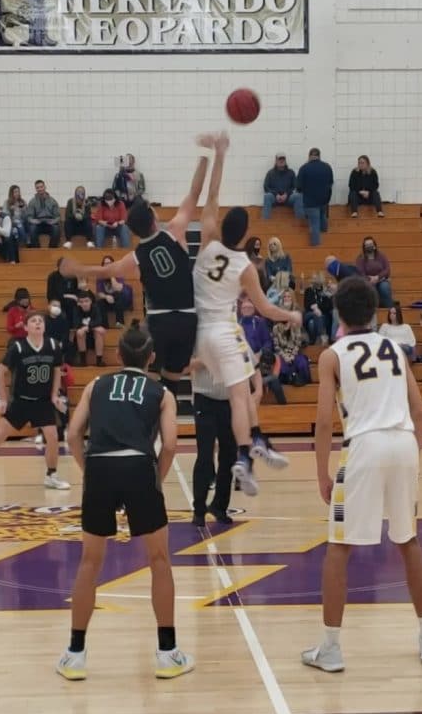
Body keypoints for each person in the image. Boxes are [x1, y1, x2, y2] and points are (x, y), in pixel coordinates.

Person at [303, 276, 422, 672]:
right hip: (402, 443)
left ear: (338, 314)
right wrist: (410, 456)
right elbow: (420, 413)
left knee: (338, 546)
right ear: (375, 312)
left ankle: (330, 648)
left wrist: (322, 475)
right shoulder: (396, 350)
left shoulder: (332, 355)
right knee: (408, 540)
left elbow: (324, 422)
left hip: (364, 447)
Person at [55, 325, 193, 681]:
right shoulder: (161, 392)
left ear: (117, 356)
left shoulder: (95, 385)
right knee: (159, 560)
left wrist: (88, 469)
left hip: (100, 465)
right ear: (151, 358)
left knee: (90, 562)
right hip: (138, 466)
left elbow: (72, 434)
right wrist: (155, 481)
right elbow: (172, 445)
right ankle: (167, 653)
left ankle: (75, 654)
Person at [63, 133, 216, 403]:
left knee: (152, 381)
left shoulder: (136, 255)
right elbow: (195, 193)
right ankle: (166, 425)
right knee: (172, 380)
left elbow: (105, 272)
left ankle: (150, 430)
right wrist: (205, 156)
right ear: (154, 220)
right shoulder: (175, 232)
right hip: (187, 319)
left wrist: (77, 269)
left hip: (158, 320)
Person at [193, 133, 302, 496]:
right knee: (242, 396)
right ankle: (244, 455)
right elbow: (268, 309)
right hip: (225, 330)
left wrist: (218, 155)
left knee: (242, 390)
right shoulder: (245, 266)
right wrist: (293, 317)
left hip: (201, 336)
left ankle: (256, 443)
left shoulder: (207, 240)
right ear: (246, 236)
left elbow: (211, 196)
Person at [0, 311, 70, 492]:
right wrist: (3, 398)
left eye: (40, 321)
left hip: (42, 401)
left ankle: (51, 475)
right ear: (26, 327)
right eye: (33, 321)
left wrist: (54, 395)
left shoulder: (52, 345)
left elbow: (57, 369)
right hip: (21, 401)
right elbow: (1, 371)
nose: (37, 323)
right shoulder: (18, 348)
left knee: (53, 436)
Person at [190, 359, 237, 527]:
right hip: (204, 398)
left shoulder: (234, 333)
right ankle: (199, 510)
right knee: (205, 455)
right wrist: (205, 360)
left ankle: (220, 506)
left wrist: (257, 387)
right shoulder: (197, 334)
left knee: (229, 455)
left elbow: (247, 360)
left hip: (229, 399)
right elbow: (187, 365)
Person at [296, 148, 333, 246]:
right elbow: (331, 182)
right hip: (324, 199)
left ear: (309, 156)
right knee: (323, 217)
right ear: (319, 156)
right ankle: (326, 238)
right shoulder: (327, 167)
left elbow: (298, 187)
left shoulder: (304, 168)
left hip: (310, 201)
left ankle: (316, 247)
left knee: (314, 224)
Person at [355, 236, 393, 307]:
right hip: (368, 281)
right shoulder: (360, 258)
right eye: (367, 245)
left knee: (385, 287)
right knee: (371, 288)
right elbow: (360, 273)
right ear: (364, 247)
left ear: (374, 246)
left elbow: (387, 270)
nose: (369, 246)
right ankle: (373, 312)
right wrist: (370, 279)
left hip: (381, 280)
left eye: (370, 244)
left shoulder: (381, 256)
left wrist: (377, 277)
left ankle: (390, 311)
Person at [262, 153, 299, 220]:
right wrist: (276, 194)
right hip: (275, 198)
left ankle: (300, 223)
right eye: (279, 159)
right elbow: (266, 187)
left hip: (288, 198)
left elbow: (295, 186)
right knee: (267, 196)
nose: (281, 161)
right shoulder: (270, 173)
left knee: (297, 196)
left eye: (283, 159)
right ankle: (265, 223)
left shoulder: (291, 172)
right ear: (276, 161)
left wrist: (287, 194)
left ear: (285, 161)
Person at [26, 180, 61, 248]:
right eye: (38, 187)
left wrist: (53, 221)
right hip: (38, 224)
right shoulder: (32, 202)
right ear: (36, 189)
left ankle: (51, 250)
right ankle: (37, 250)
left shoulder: (53, 201)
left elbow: (58, 216)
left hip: (49, 224)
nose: (40, 189)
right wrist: (34, 221)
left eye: (41, 187)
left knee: (56, 229)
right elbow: (29, 217)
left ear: (45, 187)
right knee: (32, 229)